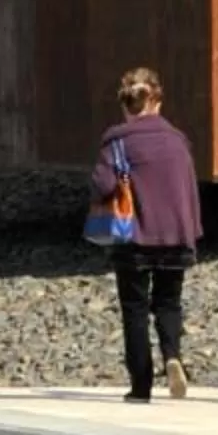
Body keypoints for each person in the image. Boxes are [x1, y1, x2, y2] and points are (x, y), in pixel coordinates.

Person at [90, 65, 202, 403]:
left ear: (126, 105)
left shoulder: (117, 141)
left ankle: (141, 386)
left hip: (133, 235)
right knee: (169, 302)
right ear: (157, 101)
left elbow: (102, 184)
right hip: (176, 233)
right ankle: (172, 355)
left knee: (135, 308)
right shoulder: (178, 141)